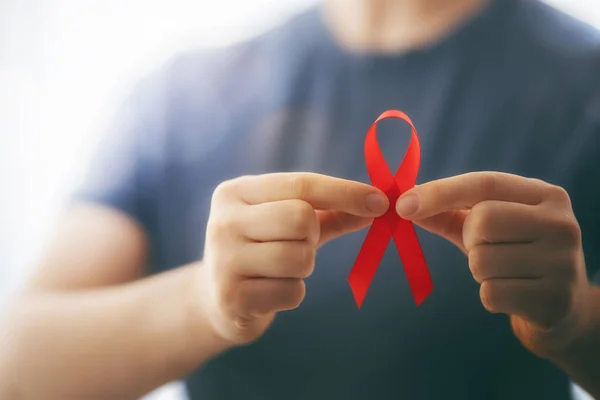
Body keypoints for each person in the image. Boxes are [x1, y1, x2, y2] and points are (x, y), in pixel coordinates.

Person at [1, 0, 599, 398]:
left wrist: (574, 322)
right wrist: (203, 304)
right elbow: (19, 368)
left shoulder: (583, 86)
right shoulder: (181, 98)